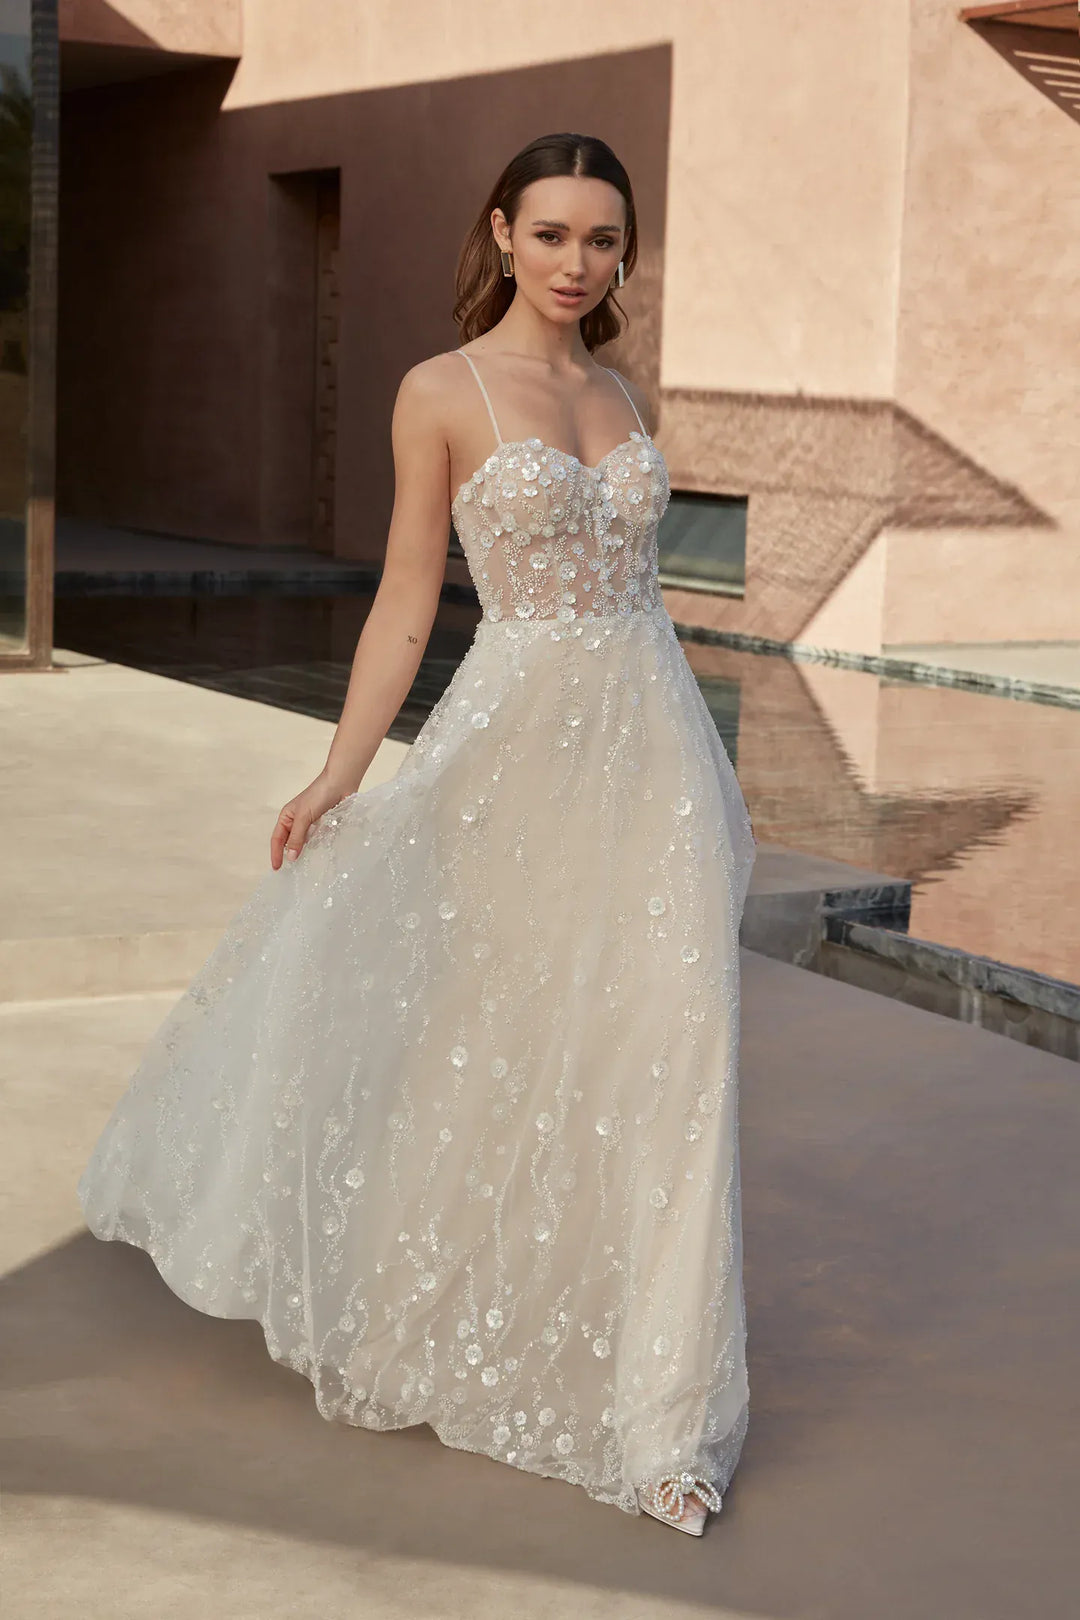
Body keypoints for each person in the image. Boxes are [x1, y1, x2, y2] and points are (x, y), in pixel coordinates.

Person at [77, 131, 758, 1537]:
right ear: (502, 232)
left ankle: (663, 1418)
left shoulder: (623, 394)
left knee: (671, 1061)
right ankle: (464, 1317)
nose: (581, 263)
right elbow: (404, 598)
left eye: (607, 239)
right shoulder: (441, 392)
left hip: (657, 759)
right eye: (556, 233)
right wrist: (339, 772)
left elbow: (646, 593)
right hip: (514, 751)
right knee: (493, 1036)